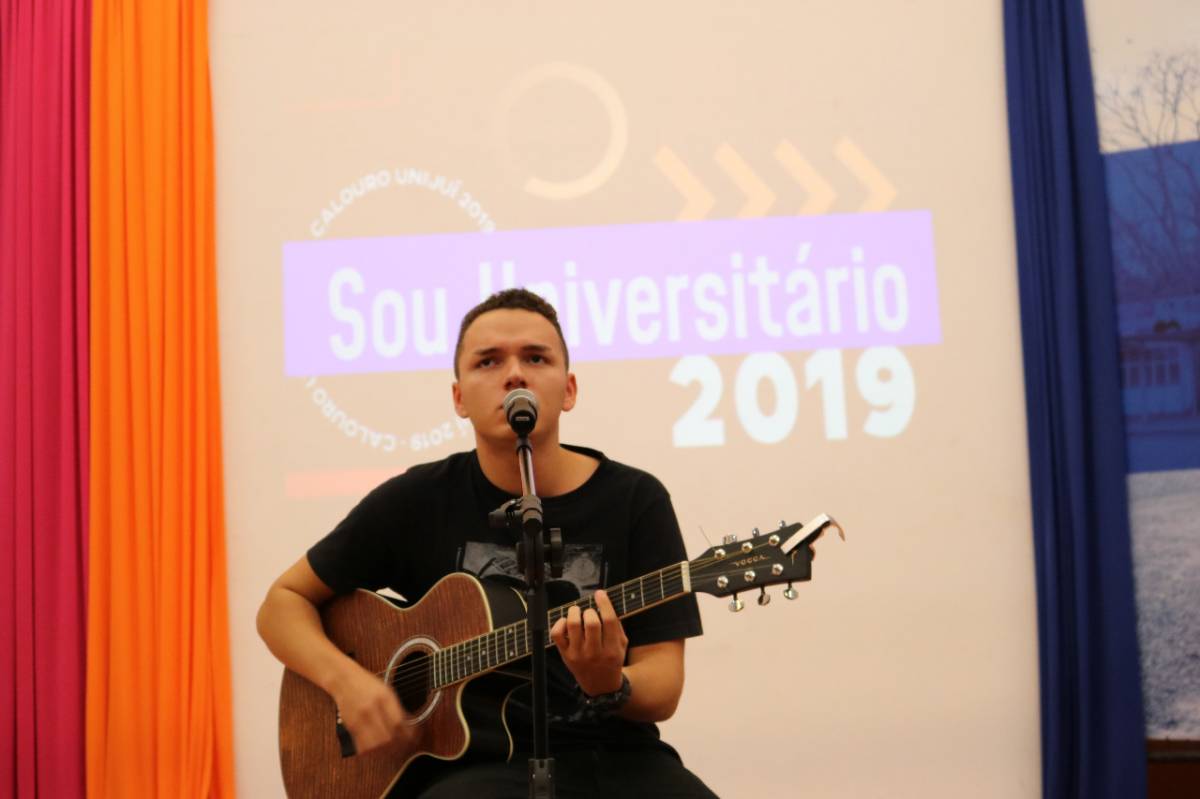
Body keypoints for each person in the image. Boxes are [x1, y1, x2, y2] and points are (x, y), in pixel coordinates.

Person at [257, 288, 717, 798]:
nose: (514, 374)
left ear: (568, 390)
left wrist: (609, 682)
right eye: (489, 361)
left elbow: (663, 688)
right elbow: (282, 604)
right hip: (471, 767)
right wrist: (347, 681)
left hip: (615, 756)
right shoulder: (419, 499)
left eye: (536, 358)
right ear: (459, 398)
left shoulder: (635, 499)